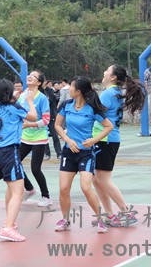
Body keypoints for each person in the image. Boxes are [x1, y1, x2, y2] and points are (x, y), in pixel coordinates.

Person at [54, 76, 114, 234]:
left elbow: (108, 126)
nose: (69, 89)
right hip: (69, 152)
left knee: (86, 187)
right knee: (63, 189)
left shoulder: (92, 109)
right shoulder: (66, 105)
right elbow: (57, 125)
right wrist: (67, 139)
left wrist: (94, 140)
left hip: (86, 154)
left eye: (71, 86)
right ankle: (65, 219)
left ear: (78, 91)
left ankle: (100, 219)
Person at [92, 65, 145, 227]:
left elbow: (94, 114)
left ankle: (127, 213)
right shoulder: (114, 93)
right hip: (104, 139)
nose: (104, 72)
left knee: (103, 179)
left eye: (107, 71)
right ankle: (109, 214)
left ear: (113, 77)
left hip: (105, 139)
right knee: (96, 179)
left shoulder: (108, 94)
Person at [0, 79, 37, 242]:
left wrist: (13, 95)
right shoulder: (15, 108)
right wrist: (30, 101)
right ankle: (8, 228)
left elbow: (7, 103)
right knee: (19, 192)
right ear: (9, 93)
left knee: (10, 187)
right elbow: (33, 117)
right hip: (9, 151)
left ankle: (9, 221)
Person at [17, 71, 52, 207]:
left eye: (33, 76)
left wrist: (30, 125)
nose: (29, 77)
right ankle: (30, 189)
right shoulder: (22, 96)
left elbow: (46, 120)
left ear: (39, 82)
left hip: (39, 138)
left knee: (35, 169)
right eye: (29, 75)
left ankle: (46, 196)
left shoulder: (42, 98)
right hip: (25, 137)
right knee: (15, 162)